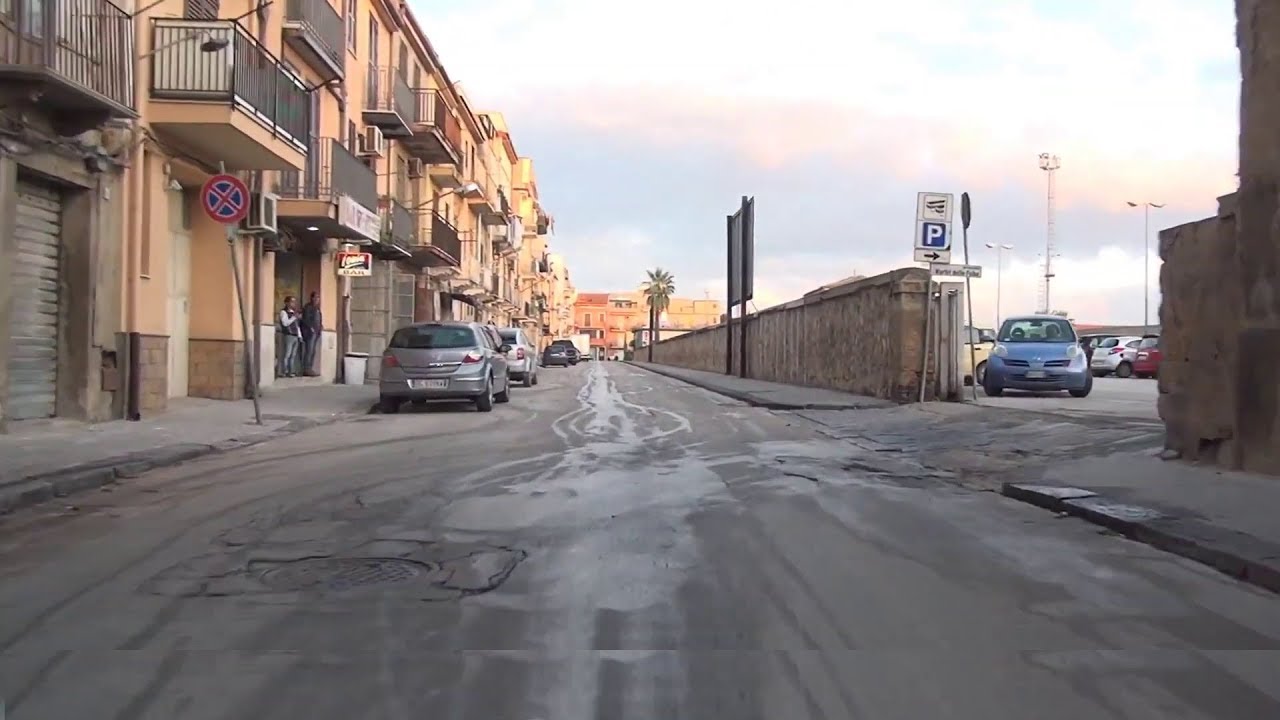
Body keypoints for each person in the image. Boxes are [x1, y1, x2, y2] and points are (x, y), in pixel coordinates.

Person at [277, 295, 302, 378]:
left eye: (294, 302)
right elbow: (285, 323)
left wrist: (300, 336)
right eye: (292, 301)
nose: (294, 303)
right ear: (287, 303)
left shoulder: (294, 313)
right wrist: (294, 317)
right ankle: (284, 371)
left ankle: (291, 371)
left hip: (295, 336)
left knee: (293, 355)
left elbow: (297, 326)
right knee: (287, 354)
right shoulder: (283, 312)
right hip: (288, 335)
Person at [300, 291, 323, 377]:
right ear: (312, 298)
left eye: (318, 297)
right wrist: (311, 328)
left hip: (316, 332)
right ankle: (306, 369)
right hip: (310, 333)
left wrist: (320, 326)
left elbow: (318, 319)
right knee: (309, 351)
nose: (317, 299)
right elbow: (305, 319)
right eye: (315, 297)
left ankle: (310, 368)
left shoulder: (317, 308)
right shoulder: (308, 307)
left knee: (313, 351)